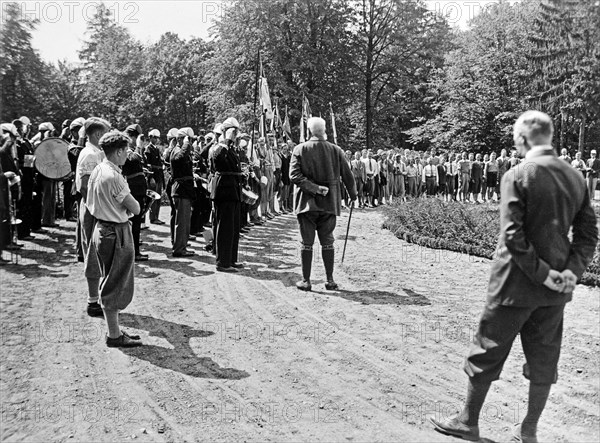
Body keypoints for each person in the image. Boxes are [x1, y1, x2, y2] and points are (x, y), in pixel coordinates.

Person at [430, 111, 598, 443]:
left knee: (486, 351)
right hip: (555, 292)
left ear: (521, 140)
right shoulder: (576, 176)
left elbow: (512, 235)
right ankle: (528, 430)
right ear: (549, 136)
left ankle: (468, 421)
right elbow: (588, 236)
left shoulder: (517, 174)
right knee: (544, 358)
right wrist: (568, 274)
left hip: (514, 286)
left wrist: (543, 274)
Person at [87, 130, 142, 347]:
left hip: (101, 227)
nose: (128, 154)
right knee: (116, 281)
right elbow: (135, 208)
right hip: (116, 230)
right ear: (118, 151)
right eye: (126, 150)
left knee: (109, 276)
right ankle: (113, 335)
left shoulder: (98, 170)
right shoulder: (114, 176)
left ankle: (115, 330)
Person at [290, 117, 357, 291]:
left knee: (307, 242)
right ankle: (330, 280)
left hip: (306, 204)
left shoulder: (299, 149)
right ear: (324, 129)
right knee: (327, 241)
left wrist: (313, 188)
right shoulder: (336, 150)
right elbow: (348, 175)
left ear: (309, 130)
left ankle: (306, 280)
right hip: (330, 203)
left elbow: (294, 176)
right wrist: (353, 194)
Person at [76, 117, 110, 317]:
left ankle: (97, 297)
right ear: (98, 135)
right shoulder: (89, 154)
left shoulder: (95, 152)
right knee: (93, 253)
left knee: (98, 252)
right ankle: (92, 301)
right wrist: (99, 208)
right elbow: (84, 187)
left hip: (96, 207)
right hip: (93, 208)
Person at [209, 117, 244, 272]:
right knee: (224, 227)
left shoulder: (231, 149)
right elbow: (218, 160)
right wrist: (225, 140)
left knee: (233, 228)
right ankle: (223, 262)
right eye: (234, 132)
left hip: (233, 190)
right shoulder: (218, 147)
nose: (236, 135)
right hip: (224, 190)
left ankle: (231, 259)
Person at [121, 124, 148, 261]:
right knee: (134, 223)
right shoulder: (126, 149)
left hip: (137, 189)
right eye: (137, 137)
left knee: (136, 223)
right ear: (131, 137)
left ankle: (134, 250)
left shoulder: (130, 149)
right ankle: (134, 252)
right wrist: (138, 147)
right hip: (134, 190)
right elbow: (133, 160)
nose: (139, 140)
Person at [169, 127, 196, 257]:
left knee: (184, 220)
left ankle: (181, 245)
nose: (190, 142)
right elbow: (178, 159)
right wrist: (185, 144)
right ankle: (179, 249)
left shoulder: (182, 151)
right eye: (188, 139)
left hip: (184, 189)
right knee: (182, 221)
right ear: (180, 139)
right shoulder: (177, 150)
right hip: (181, 189)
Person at [145, 129, 165, 224]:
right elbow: (148, 165)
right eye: (154, 137)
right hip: (153, 175)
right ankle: (153, 218)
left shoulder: (156, 149)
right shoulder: (148, 149)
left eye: (157, 137)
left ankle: (156, 216)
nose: (156, 139)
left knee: (158, 198)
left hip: (158, 175)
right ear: (150, 138)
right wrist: (150, 177)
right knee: (153, 198)